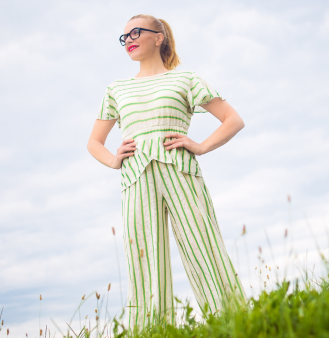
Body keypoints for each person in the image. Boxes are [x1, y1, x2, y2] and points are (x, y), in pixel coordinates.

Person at [87, 13, 246, 330]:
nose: (128, 40)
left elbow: (233, 119)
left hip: (181, 170)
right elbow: (94, 142)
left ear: (158, 37)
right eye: (124, 37)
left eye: (135, 32)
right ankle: (150, 332)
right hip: (135, 178)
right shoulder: (116, 89)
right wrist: (113, 160)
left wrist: (200, 145)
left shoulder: (185, 79)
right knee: (143, 259)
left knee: (203, 247)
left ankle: (234, 324)